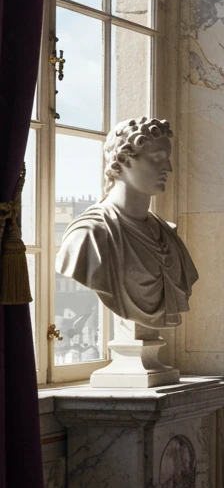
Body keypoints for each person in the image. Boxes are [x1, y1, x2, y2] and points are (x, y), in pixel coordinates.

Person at [56, 117, 199, 329]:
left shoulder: (167, 234)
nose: (168, 167)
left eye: (167, 157)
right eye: (157, 157)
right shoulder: (89, 235)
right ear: (123, 159)